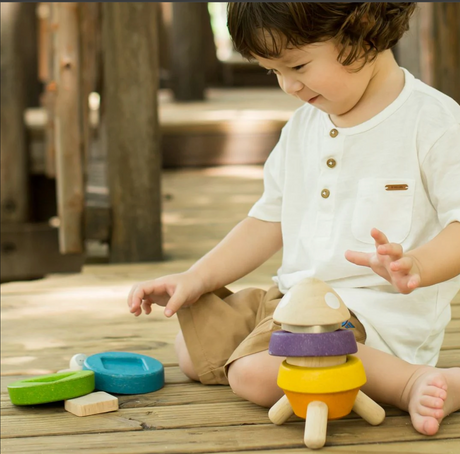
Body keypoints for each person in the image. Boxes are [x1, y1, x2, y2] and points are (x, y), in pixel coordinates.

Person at [127, 2, 460, 436]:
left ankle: (410, 380)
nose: (288, 85)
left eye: (298, 64)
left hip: (372, 317)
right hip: (293, 301)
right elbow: (268, 220)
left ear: (362, 29)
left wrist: (419, 264)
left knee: (251, 373)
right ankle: (292, 354)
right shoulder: (304, 126)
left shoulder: (432, 122)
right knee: (192, 349)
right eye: (273, 71)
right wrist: (196, 277)